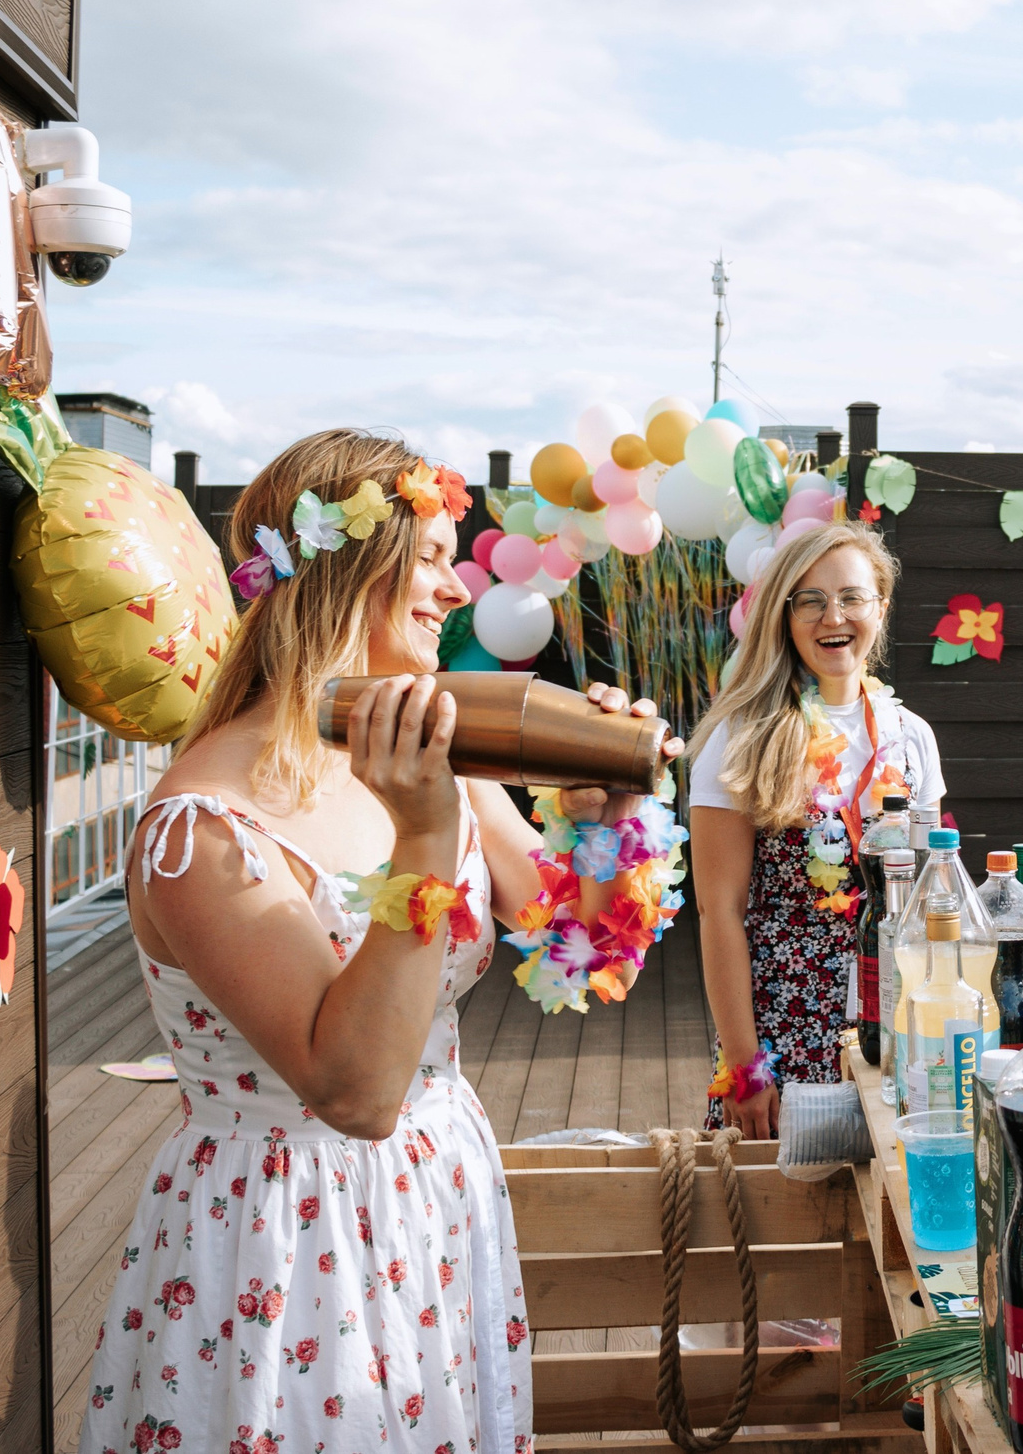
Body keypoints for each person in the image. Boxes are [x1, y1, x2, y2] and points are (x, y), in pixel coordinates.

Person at [80, 431, 675, 1454]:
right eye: (436, 554)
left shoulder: (429, 753)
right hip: (286, 1231)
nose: (455, 585)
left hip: (435, 1196)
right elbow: (353, 1089)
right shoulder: (202, 832)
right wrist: (427, 833)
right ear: (347, 563)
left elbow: (575, 941)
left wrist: (610, 807)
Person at [687, 520, 944, 1136]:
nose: (834, 616)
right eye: (810, 600)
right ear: (784, 615)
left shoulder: (912, 738)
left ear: (880, 607)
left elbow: (937, 889)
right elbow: (718, 912)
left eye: (852, 596)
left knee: (892, 1214)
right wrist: (746, 1067)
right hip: (783, 1027)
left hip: (899, 1026)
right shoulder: (743, 738)